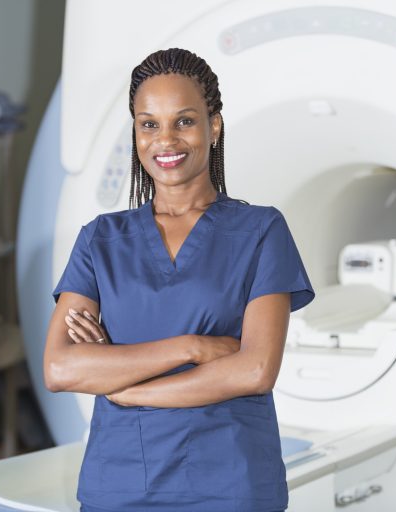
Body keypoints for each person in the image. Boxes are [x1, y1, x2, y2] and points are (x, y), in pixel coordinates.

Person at [43, 48, 315, 512]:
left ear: (214, 126)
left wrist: (124, 386)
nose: (165, 140)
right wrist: (191, 347)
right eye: (149, 124)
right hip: (121, 481)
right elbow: (61, 369)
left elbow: (254, 370)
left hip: (230, 480)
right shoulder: (101, 239)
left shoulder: (261, 231)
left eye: (184, 121)